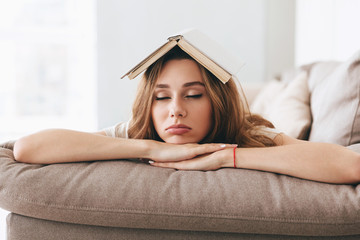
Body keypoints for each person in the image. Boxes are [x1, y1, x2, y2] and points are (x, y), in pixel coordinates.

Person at [13, 46, 360, 184]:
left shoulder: (245, 133)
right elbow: (28, 149)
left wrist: (228, 156)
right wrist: (152, 149)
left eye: (193, 94)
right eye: (162, 97)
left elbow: (350, 165)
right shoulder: (138, 133)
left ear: (217, 102)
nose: (175, 109)